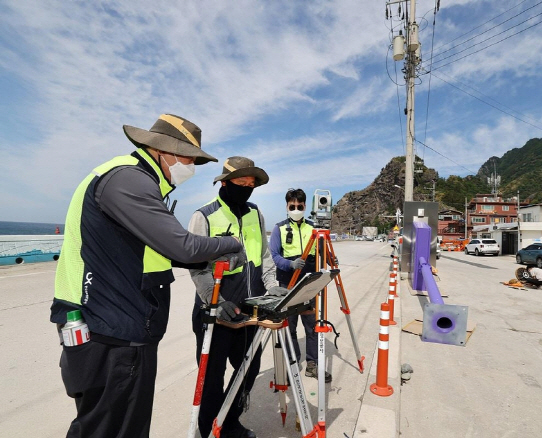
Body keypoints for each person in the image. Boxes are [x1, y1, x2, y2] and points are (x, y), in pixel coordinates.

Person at [50, 114, 246, 438]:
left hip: (118, 328)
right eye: (188, 157)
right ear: (163, 149)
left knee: (120, 425)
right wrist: (228, 243)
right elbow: (181, 245)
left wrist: (204, 260)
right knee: (110, 428)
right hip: (110, 333)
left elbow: (156, 252)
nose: (191, 167)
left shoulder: (138, 181)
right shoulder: (130, 180)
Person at [188, 156, 286, 438]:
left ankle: (228, 422)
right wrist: (215, 301)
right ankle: (210, 430)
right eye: (241, 182)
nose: (247, 187)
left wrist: (272, 286)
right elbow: (196, 268)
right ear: (226, 182)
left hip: (250, 311)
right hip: (215, 313)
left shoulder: (256, 214)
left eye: (251, 183)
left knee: (249, 368)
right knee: (211, 379)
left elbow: (265, 257)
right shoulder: (204, 215)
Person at [269, 188, 332, 382]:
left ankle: (312, 364)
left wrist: (327, 253)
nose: (296, 209)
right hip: (288, 283)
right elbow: (275, 256)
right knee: (290, 326)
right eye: (292, 206)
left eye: (299, 206)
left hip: (309, 284)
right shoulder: (279, 228)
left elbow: (324, 256)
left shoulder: (313, 227)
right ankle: (291, 364)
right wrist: (290, 264)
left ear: (306, 206)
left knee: (312, 326)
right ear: (287, 206)